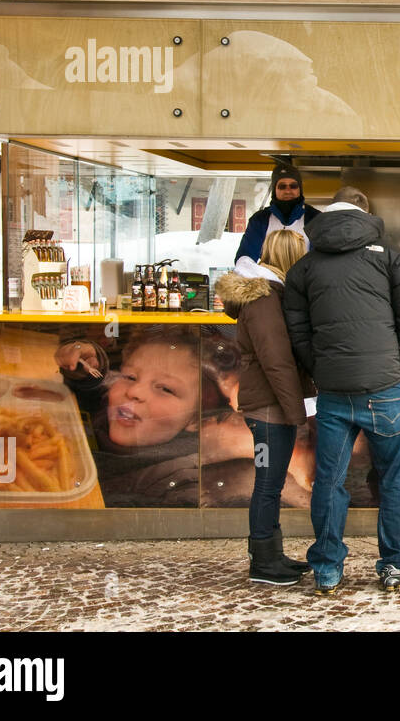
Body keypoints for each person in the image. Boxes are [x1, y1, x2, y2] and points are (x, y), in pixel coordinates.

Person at [283, 185, 400, 594]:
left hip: (332, 391)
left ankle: (328, 568)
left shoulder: (304, 267)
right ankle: (398, 565)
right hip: (384, 387)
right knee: (397, 479)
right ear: (365, 212)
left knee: (329, 481)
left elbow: (298, 332)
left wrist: (321, 370)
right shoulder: (392, 257)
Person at [215, 229, 316, 587]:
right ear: (292, 259)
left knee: (270, 482)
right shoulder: (265, 299)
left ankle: (272, 555)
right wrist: (296, 411)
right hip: (269, 407)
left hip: (271, 404)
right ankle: (263, 562)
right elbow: (277, 362)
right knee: (269, 484)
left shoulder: (270, 294)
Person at [56, 326, 237, 507]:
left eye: (165, 389)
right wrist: (83, 364)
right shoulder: (114, 404)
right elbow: (95, 387)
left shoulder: (181, 483)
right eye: (131, 377)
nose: (135, 391)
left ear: (196, 420)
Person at [234, 162, 321, 264]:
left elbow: (321, 260)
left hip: (305, 278)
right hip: (270, 278)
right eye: (282, 186)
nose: (288, 191)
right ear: (274, 190)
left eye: (293, 186)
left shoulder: (315, 218)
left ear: (300, 189)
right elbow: (245, 257)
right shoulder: (260, 220)